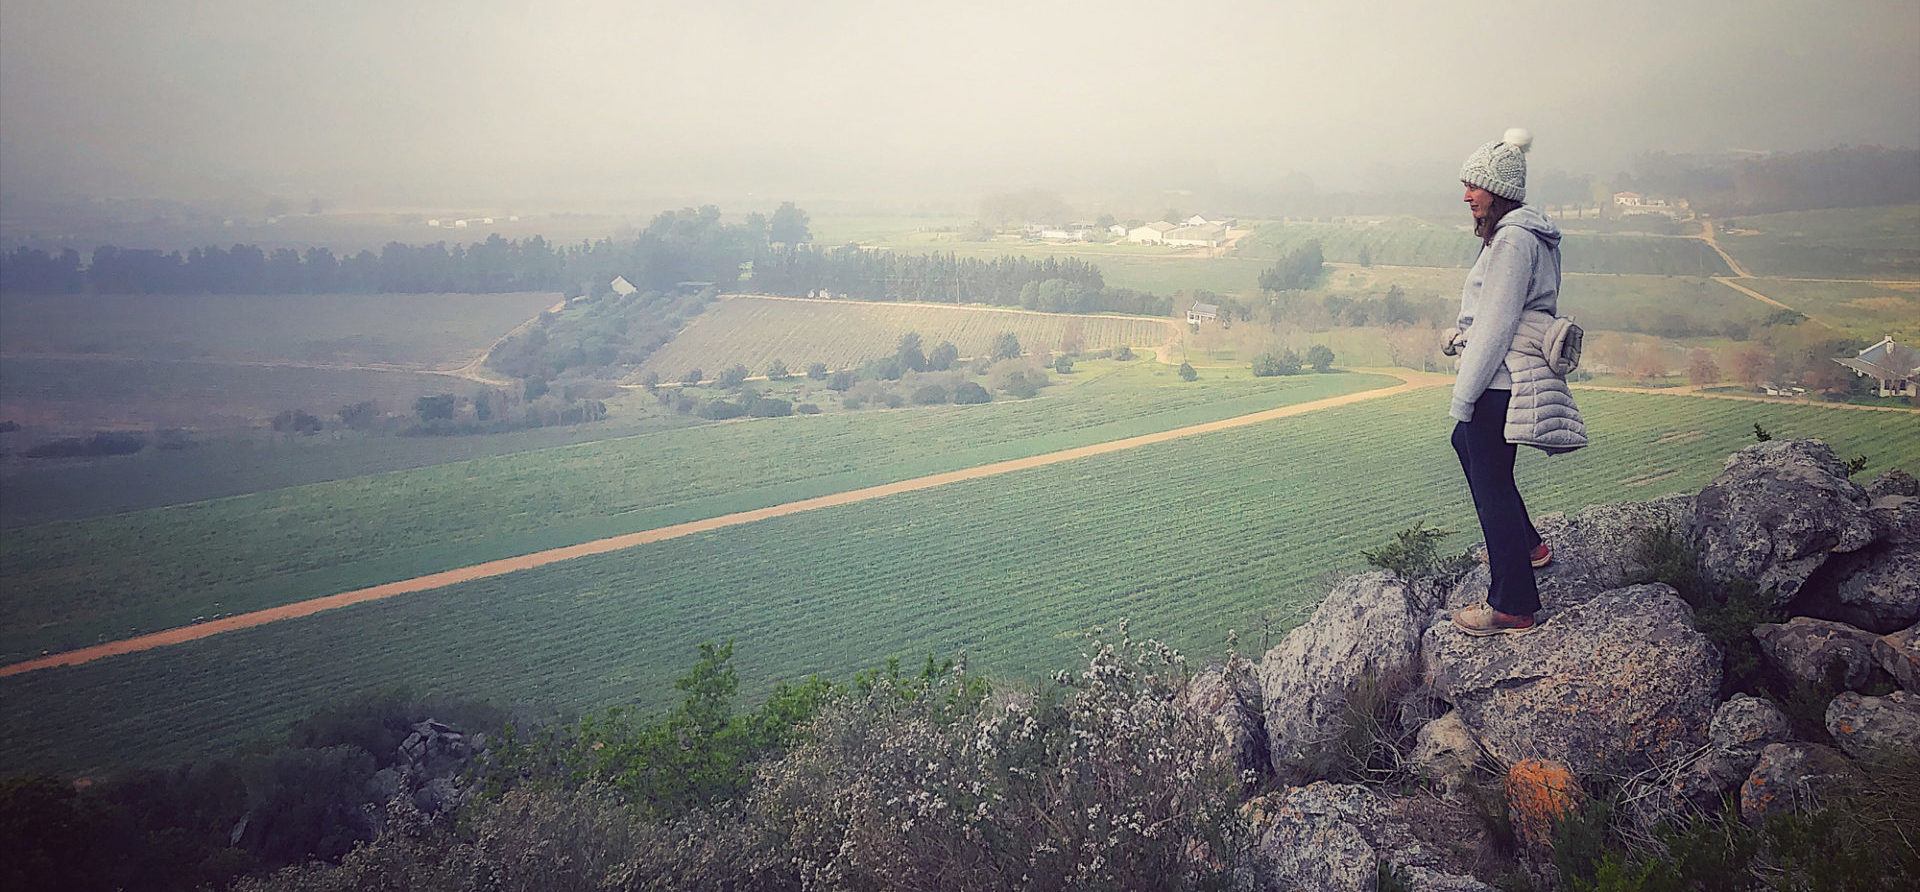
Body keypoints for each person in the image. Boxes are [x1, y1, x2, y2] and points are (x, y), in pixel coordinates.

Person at [1445, 128, 1567, 637]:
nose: (1467, 195)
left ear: (1500, 191)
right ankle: (1531, 545)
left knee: (1489, 480)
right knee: (1471, 451)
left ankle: (1512, 603)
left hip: (1498, 378)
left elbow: (1497, 322)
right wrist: (1463, 334)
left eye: (1475, 186)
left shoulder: (1514, 239)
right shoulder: (1519, 234)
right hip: (1502, 372)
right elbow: (1492, 314)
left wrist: (1463, 394)